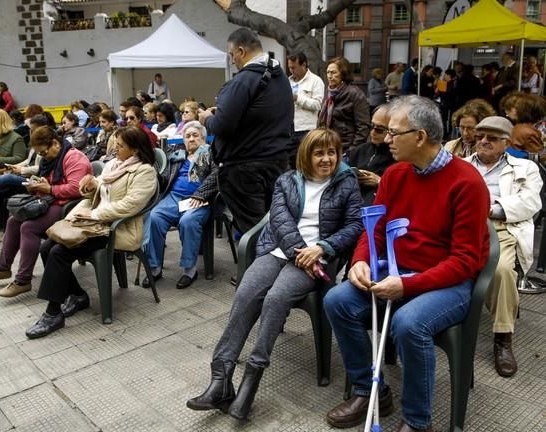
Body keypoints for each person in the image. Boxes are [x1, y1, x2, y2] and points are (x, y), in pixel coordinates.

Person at [323, 95, 490, 432]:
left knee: (409, 323)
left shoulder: (467, 183)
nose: (386, 139)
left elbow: (465, 261)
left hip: (448, 282)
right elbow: (376, 230)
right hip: (396, 271)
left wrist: (408, 285)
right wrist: (360, 262)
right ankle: (370, 389)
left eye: (393, 133)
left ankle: (417, 421)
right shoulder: (396, 175)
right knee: (336, 300)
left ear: (420, 136)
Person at [186, 128, 362, 419]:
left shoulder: (347, 182)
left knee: (276, 299)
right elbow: (279, 222)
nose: (326, 159)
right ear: (306, 154)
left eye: (332, 152)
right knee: (245, 293)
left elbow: (355, 225)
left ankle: (251, 381)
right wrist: (298, 252)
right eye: (319, 153)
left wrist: (322, 247)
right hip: (279, 251)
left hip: (316, 259)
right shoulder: (287, 180)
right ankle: (220, 379)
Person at [25, 126, 157, 338]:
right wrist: (89, 185)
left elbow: (129, 205)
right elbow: (99, 190)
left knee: (59, 252)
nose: (114, 149)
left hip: (115, 229)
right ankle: (77, 295)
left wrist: (95, 215)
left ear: (135, 150)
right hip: (95, 223)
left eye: (120, 146)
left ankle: (53, 313)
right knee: (47, 247)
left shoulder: (145, 172)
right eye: (115, 144)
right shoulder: (114, 164)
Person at [464, 116, 542, 378]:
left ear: (506, 143)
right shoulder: (460, 165)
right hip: (461, 228)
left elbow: (531, 202)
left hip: (500, 227)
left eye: (492, 138)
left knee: (502, 271)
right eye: (480, 136)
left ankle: (503, 339)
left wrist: (492, 208)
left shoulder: (525, 168)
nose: (484, 141)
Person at [0, 126, 91, 297]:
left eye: (44, 153)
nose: (43, 157)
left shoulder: (74, 158)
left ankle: (23, 280)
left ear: (55, 144)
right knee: (13, 221)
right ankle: (3, 268)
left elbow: (76, 189)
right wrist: (37, 185)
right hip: (52, 200)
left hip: (70, 206)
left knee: (29, 227)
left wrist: (49, 189)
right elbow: (50, 181)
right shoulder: (51, 158)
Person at [199, 27, 293, 234]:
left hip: (245, 171)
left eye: (232, 55)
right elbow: (258, 118)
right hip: (277, 164)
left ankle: (260, 267)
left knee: (256, 236)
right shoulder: (281, 78)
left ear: (241, 51)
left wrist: (207, 119)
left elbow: (221, 126)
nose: (232, 61)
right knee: (274, 229)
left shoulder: (242, 81)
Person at [144, 121, 217, 289]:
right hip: (173, 197)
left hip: (199, 199)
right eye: (187, 136)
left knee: (188, 222)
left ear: (203, 138)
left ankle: (189, 270)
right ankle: (154, 268)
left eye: (195, 135)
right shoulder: (177, 156)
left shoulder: (210, 153)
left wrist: (200, 194)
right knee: (154, 217)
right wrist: (155, 174)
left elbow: (217, 174)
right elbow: (165, 179)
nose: (191, 139)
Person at [318, 57, 370, 157]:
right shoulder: (329, 93)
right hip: (328, 146)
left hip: (346, 149)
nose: (329, 76)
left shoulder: (355, 94)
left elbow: (363, 127)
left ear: (343, 74)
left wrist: (350, 152)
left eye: (333, 72)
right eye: (328, 72)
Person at [348, 104, 395, 205]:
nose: (373, 132)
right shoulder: (359, 151)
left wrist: (380, 182)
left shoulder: (398, 155)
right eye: (371, 126)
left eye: (379, 129)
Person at [287, 52, 325, 167]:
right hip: (289, 129)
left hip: (306, 129)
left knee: (305, 163)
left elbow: (318, 105)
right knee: (291, 163)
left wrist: (297, 98)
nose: (291, 70)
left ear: (304, 65)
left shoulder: (316, 81)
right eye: (289, 67)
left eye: (294, 67)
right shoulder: (288, 81)